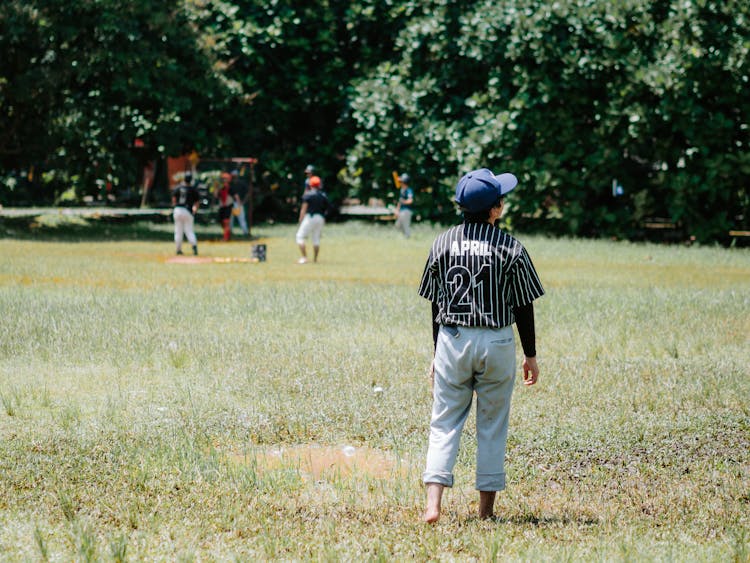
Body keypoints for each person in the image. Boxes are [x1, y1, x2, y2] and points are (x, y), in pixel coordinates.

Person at [417, 167, 545, 523]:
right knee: (492, 425)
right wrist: (530, 354)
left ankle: (433, 505)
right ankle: (485, 512)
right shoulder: (512, 248)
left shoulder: (441, 243)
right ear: (495, 210)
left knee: (443, 422)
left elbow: (435, 303)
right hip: (497, 341)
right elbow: (524, 305)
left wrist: (436, 352)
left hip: (452, 338)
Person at [295, 175, 329, 264]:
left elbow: (304, 208)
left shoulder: (308, 195)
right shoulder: (323, 195)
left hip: (310, 217)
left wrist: (300, 219)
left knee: (300, 236)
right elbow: (326, 209)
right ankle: (315, 259)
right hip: (320, 218)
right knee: (316, 238)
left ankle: (304, 257)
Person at [171, 172, 200, 255]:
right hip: (187, 210)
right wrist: (195, 209)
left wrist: (174, 206)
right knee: (189, 230)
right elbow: (197, 202)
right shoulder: (192, 189)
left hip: (177, 210)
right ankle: (194, 247)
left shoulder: (178, 187)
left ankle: (178, 249)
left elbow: (174, 199)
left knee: (178, 231)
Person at [229, 170, 250, 237]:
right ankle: (229, 232)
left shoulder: (241, 184)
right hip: (230, 204)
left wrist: (243, 201)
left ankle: (245, 232)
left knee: (241, 219)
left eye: (235, 176)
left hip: (238, 204)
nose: (234, 177)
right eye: (233, 176)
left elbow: (248, 193)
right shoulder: (230, 184)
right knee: (230, 219)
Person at [215, 171, 234, 241]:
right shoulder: (220, 187)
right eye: (223, 179)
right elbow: (216, 195)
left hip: (228, 206)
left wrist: (238, 205)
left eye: (226, 179)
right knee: (222, 222)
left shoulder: (230, 188)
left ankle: (225, 238)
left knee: (226, 222)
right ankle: (227, 235)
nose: (224, 180)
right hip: (222, 207)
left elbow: (235, 196)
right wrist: (216, 187)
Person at [395, 173, 414, 238]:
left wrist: (404, 201)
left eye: (401, 182)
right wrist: (397, 210)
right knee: (398, 225)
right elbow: (399, 201)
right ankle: (406, 236)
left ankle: (407, 237)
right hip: (401, 211)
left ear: (404, 182)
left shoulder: (409, 190)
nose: (400, 183)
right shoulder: (402, 190)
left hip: (407, 211)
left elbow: (410, 200)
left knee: (406, 226)